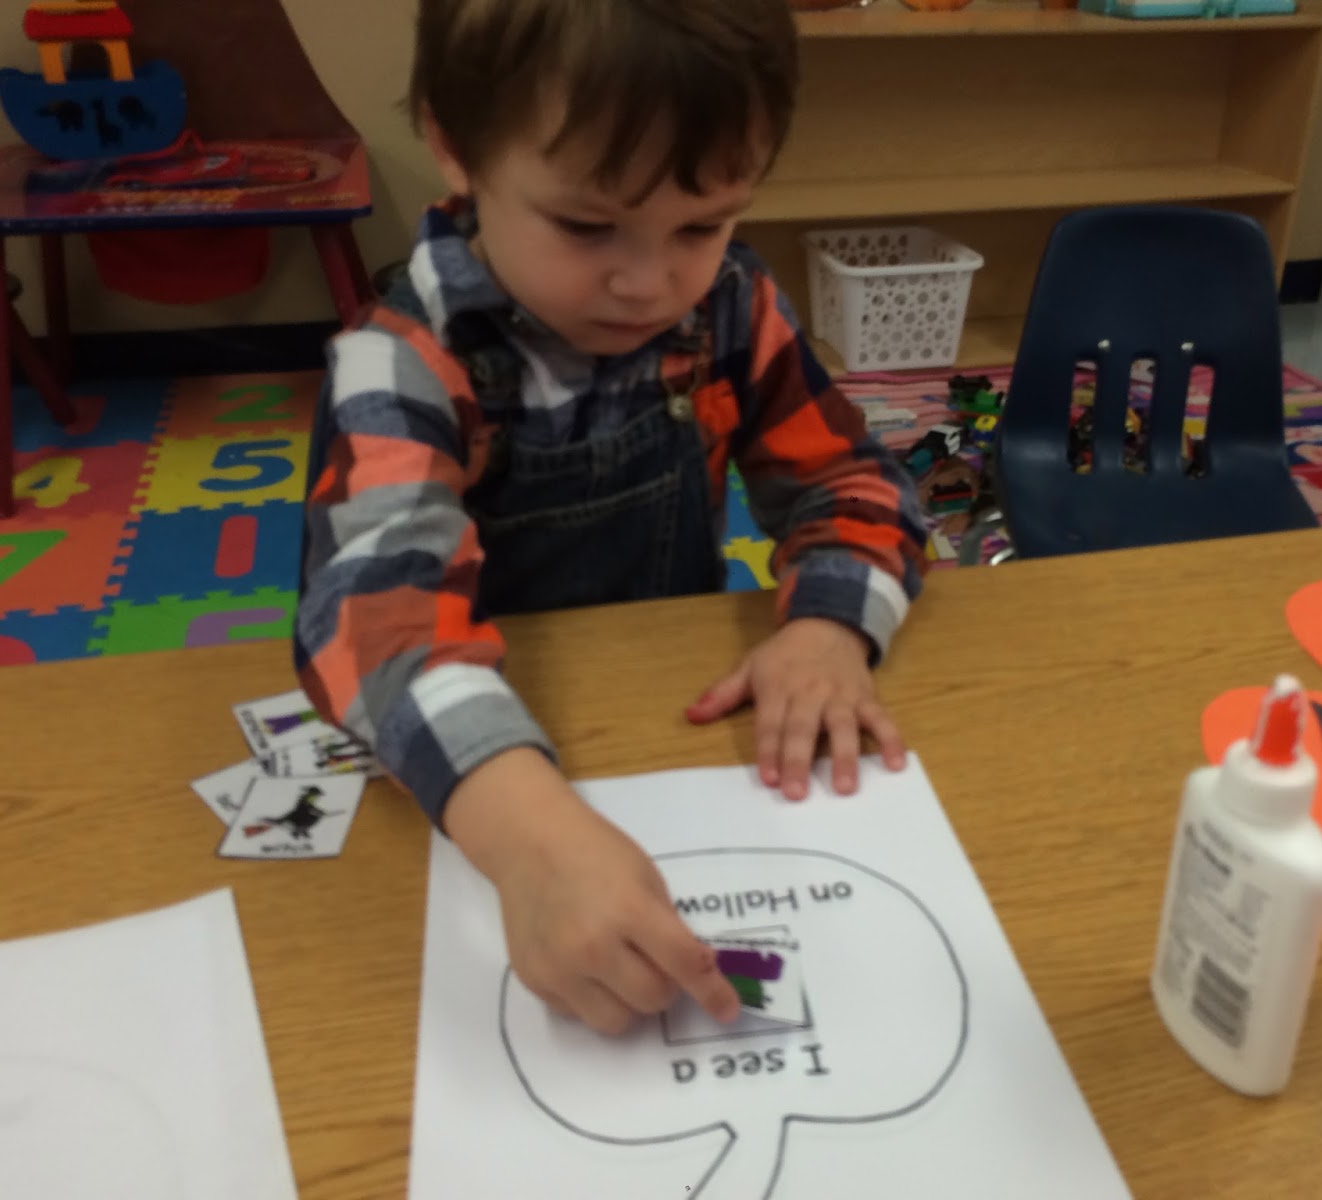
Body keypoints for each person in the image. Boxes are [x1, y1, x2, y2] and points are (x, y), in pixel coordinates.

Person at [295, 0, 928, 1036]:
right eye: (587, 227)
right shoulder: (402, 362)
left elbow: (854, 483)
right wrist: (529, 839)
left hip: (671, 726)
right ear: (457, 150)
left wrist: (827, 625)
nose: (649, 283)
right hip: (487, 771)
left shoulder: (731, 307)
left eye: (702, 225)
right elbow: (373, 623)